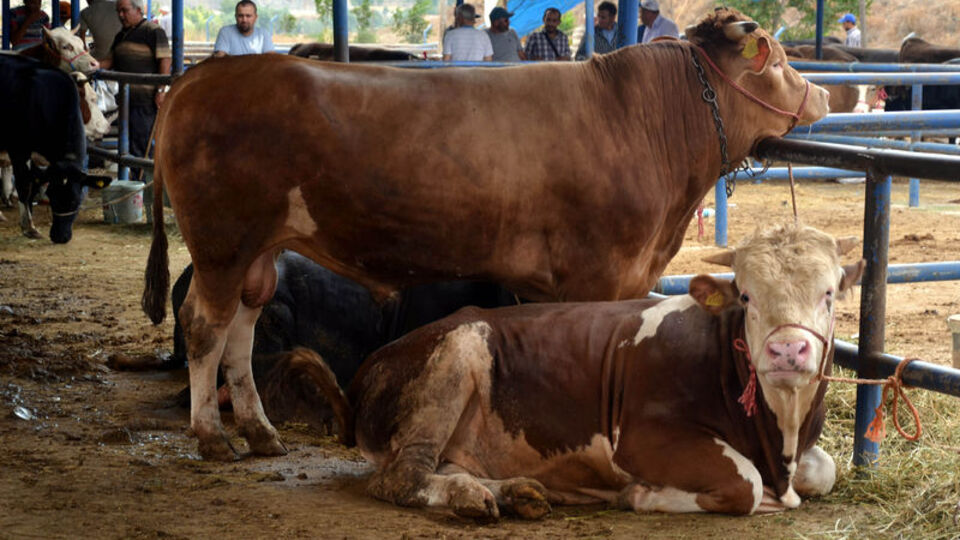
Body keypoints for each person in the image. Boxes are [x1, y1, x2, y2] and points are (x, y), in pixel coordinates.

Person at [99, 0, 171, 181]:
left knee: (144, 143)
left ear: (138, 10)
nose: (120, 15)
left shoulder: (153, 31)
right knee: (129, 145)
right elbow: (109, 61)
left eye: (124, 11)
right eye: (119, 12)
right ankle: (136, 183)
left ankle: (147, 185)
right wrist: (91, 65)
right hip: (126, 100)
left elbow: (165, 60)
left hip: (146, 99)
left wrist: (161, 89)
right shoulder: (121, 35)